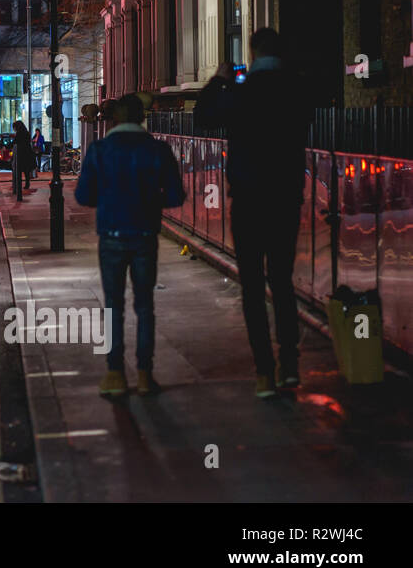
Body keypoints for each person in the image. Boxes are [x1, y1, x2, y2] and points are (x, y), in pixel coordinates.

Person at [194, 28, 310, 398]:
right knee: (281, 279)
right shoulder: (296, 88)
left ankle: (265, 371)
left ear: (253, 52)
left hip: (248, 199)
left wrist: (219, 81)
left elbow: (204, 118)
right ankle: (290, 363)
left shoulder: (241, 93)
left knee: (252, 287)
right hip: (285, 197)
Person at [74, 94, 185, 397]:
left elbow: (84, 196)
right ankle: (146, 374)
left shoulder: (99, 149)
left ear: (114, 120)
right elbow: (176, 197)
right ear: (142, 118)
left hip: (111, 235)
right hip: (145, 235)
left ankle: (115, 374)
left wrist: (109, 199)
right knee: (145, 305)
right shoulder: (157, 149)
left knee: (113, 306)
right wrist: (149, 202)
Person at [11, 121, 35, 200]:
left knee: (18, 170)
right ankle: (27, 184)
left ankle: (18, 188)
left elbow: (15, 141)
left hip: (21, 154)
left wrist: (7, 145)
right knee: (26, 170)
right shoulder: (26, 132)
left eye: (14, 127)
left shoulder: (19, 133)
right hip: (28, 153)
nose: (14, 129)